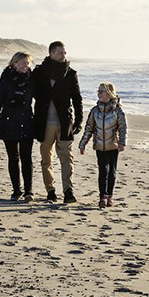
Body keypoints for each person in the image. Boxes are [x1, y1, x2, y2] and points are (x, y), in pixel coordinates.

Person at [32, 41, 83, 204]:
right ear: (52, 53)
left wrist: (79, 120)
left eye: (65, 53)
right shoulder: (40, 72)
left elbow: (77, 98)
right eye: (61, 53)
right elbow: (29, 91)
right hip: (44, 122)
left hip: (64, 122)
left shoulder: (70, 73)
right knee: (46, 158)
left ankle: (68, 190)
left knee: (66, 158)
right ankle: (51, 191)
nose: (64, 56)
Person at [0, 51, 36, 202]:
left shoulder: (32, 81)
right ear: (14, 64)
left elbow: (42, 101)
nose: (26, 65)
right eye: (23, 62)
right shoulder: (5, 81)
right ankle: (17, 190)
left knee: (26, 157)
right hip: (8, 123)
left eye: (28, 63)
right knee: (13, 158)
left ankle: (29, 191)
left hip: (27, 122)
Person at [78, 82, 127, 209]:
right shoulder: (95, 111)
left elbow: (122, 128)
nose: (98, 94)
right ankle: (102, 197)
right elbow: (88, 129)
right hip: (100, 145)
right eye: (98, 91)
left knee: (112, 171)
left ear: (109, 94)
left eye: (101, 92)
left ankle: (110, 195)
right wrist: (82, 144)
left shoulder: (117, 110)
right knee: (102, 170)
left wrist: (122, 143)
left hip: (113, 145)